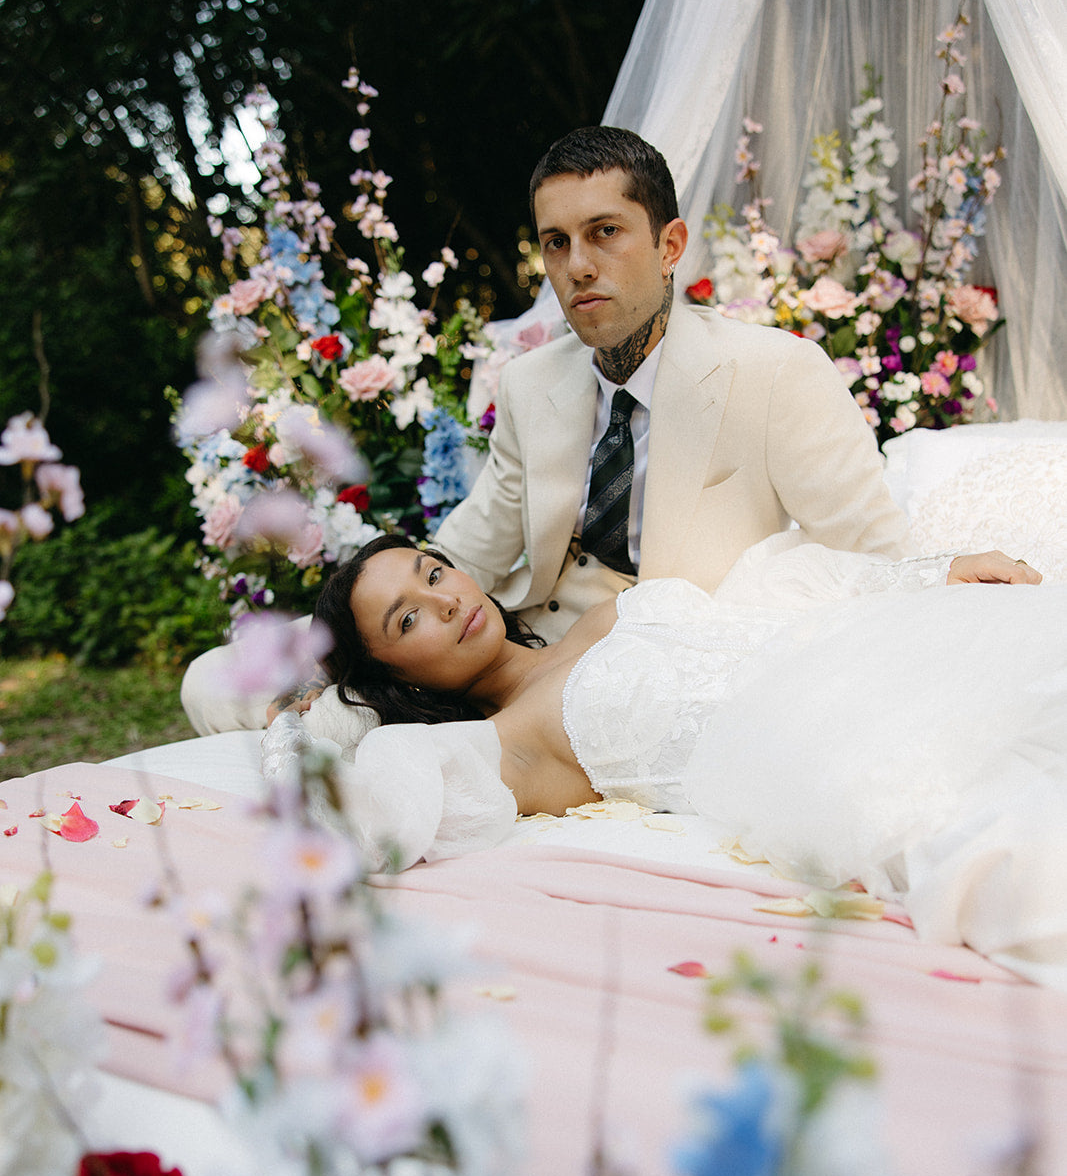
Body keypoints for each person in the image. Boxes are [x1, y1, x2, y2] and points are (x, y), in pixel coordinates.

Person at [183, 126, 907, 736]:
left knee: (339, 731)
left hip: (653, 670)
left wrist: (935, 578)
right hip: (510, 653)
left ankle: (359, 739)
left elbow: (871, 550)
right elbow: (479, 539)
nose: (578, 266)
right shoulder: (531, 383)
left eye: (605, 234)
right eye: (555, 243)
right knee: (213, 678)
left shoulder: (776, 372)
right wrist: (330, 656)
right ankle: (343, 717)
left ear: (669, 243)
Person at [263, 532, 1067, 972]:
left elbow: (778, 604)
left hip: (880, 647)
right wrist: (295, 721)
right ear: (390, 678)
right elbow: (372, 818)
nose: (445, 599)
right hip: (828, 739)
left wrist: (933, 574)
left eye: (432, 571)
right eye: (407, 620)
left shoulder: (604, 610)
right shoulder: (500, 746)